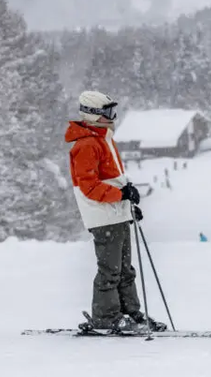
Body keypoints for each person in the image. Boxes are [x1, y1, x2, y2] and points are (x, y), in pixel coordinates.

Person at [65, 90, 166, 333]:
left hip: (115, 213)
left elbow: (114, 181)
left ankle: (130, 313)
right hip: (102, 216)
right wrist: (121, 196)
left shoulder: (104, 139)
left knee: (125, 270)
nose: (113, 116)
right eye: (108, 112)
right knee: (110, 270)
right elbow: (90, 187)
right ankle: (106, 317)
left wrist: (128, 205)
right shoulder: (87, 145)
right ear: (92, 114)